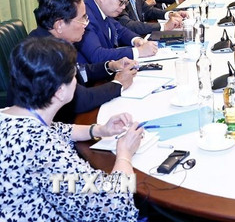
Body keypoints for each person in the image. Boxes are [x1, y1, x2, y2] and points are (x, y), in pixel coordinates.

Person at [0, 37, 143, 221]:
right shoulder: (42, 146)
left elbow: (56, 129)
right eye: (73, 76)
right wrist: (125, 154)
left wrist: (99, 130)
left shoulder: (10, 116)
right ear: (60, 92)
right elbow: (114, 208)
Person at [27, 0, 137, 122]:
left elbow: (80, 71)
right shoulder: (44, 53)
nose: (86, 23)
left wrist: (110, 66)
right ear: (59, 25)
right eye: (83, 18)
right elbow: (79, 100)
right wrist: (118, 84)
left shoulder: (55, 40)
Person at [77, 0, 158, 63]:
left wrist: (136, 40)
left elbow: (120, 30)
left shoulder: (103, 10)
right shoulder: (84, 16)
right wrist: (138, 52)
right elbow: (97, 55)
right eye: (121, 2)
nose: (123, 7)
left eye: (125, 3)